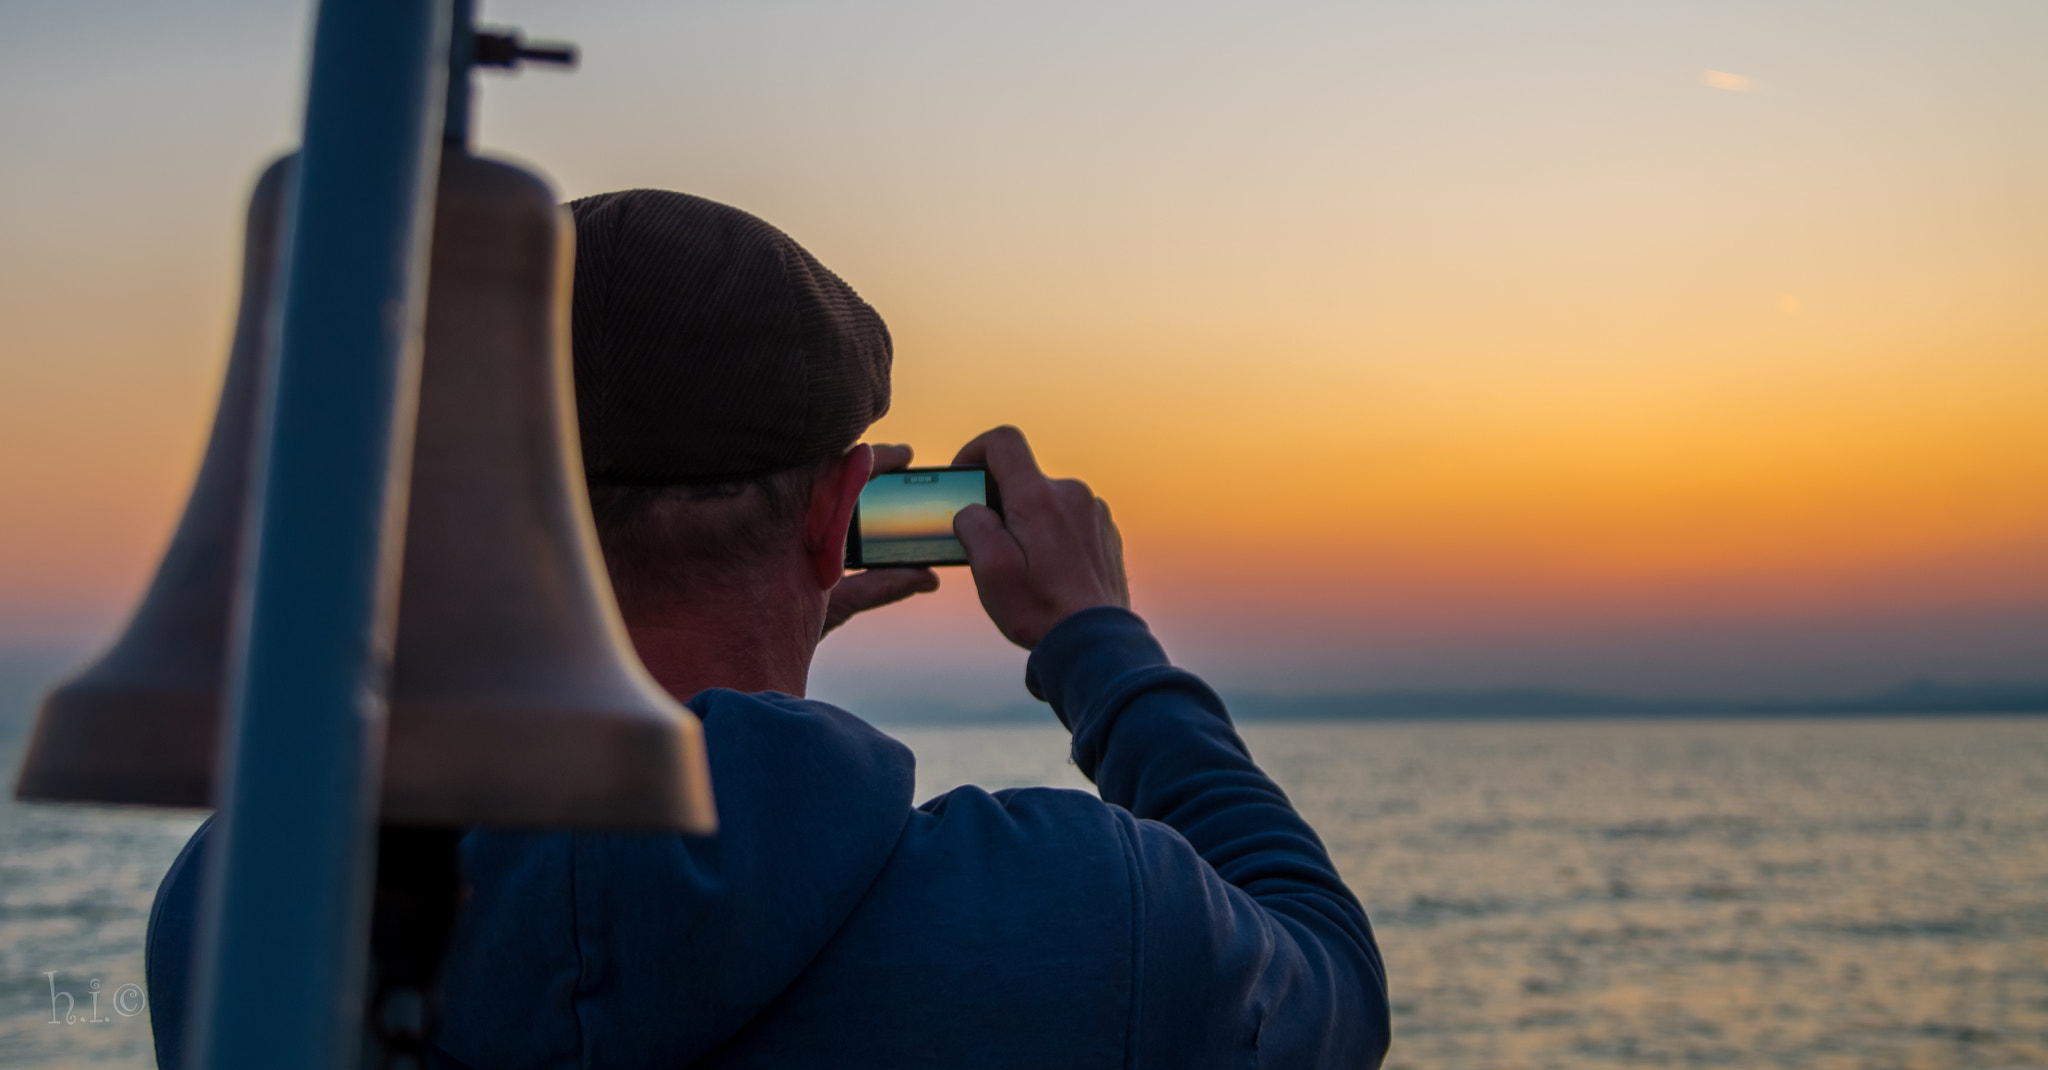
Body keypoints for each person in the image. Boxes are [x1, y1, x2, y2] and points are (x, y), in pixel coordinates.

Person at [145, 189, 1390, 1069]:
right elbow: (1330, 975)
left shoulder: (241, 911)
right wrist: (1101, 646)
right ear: (839, 514)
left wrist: (762, 636)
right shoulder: (1089, 916)